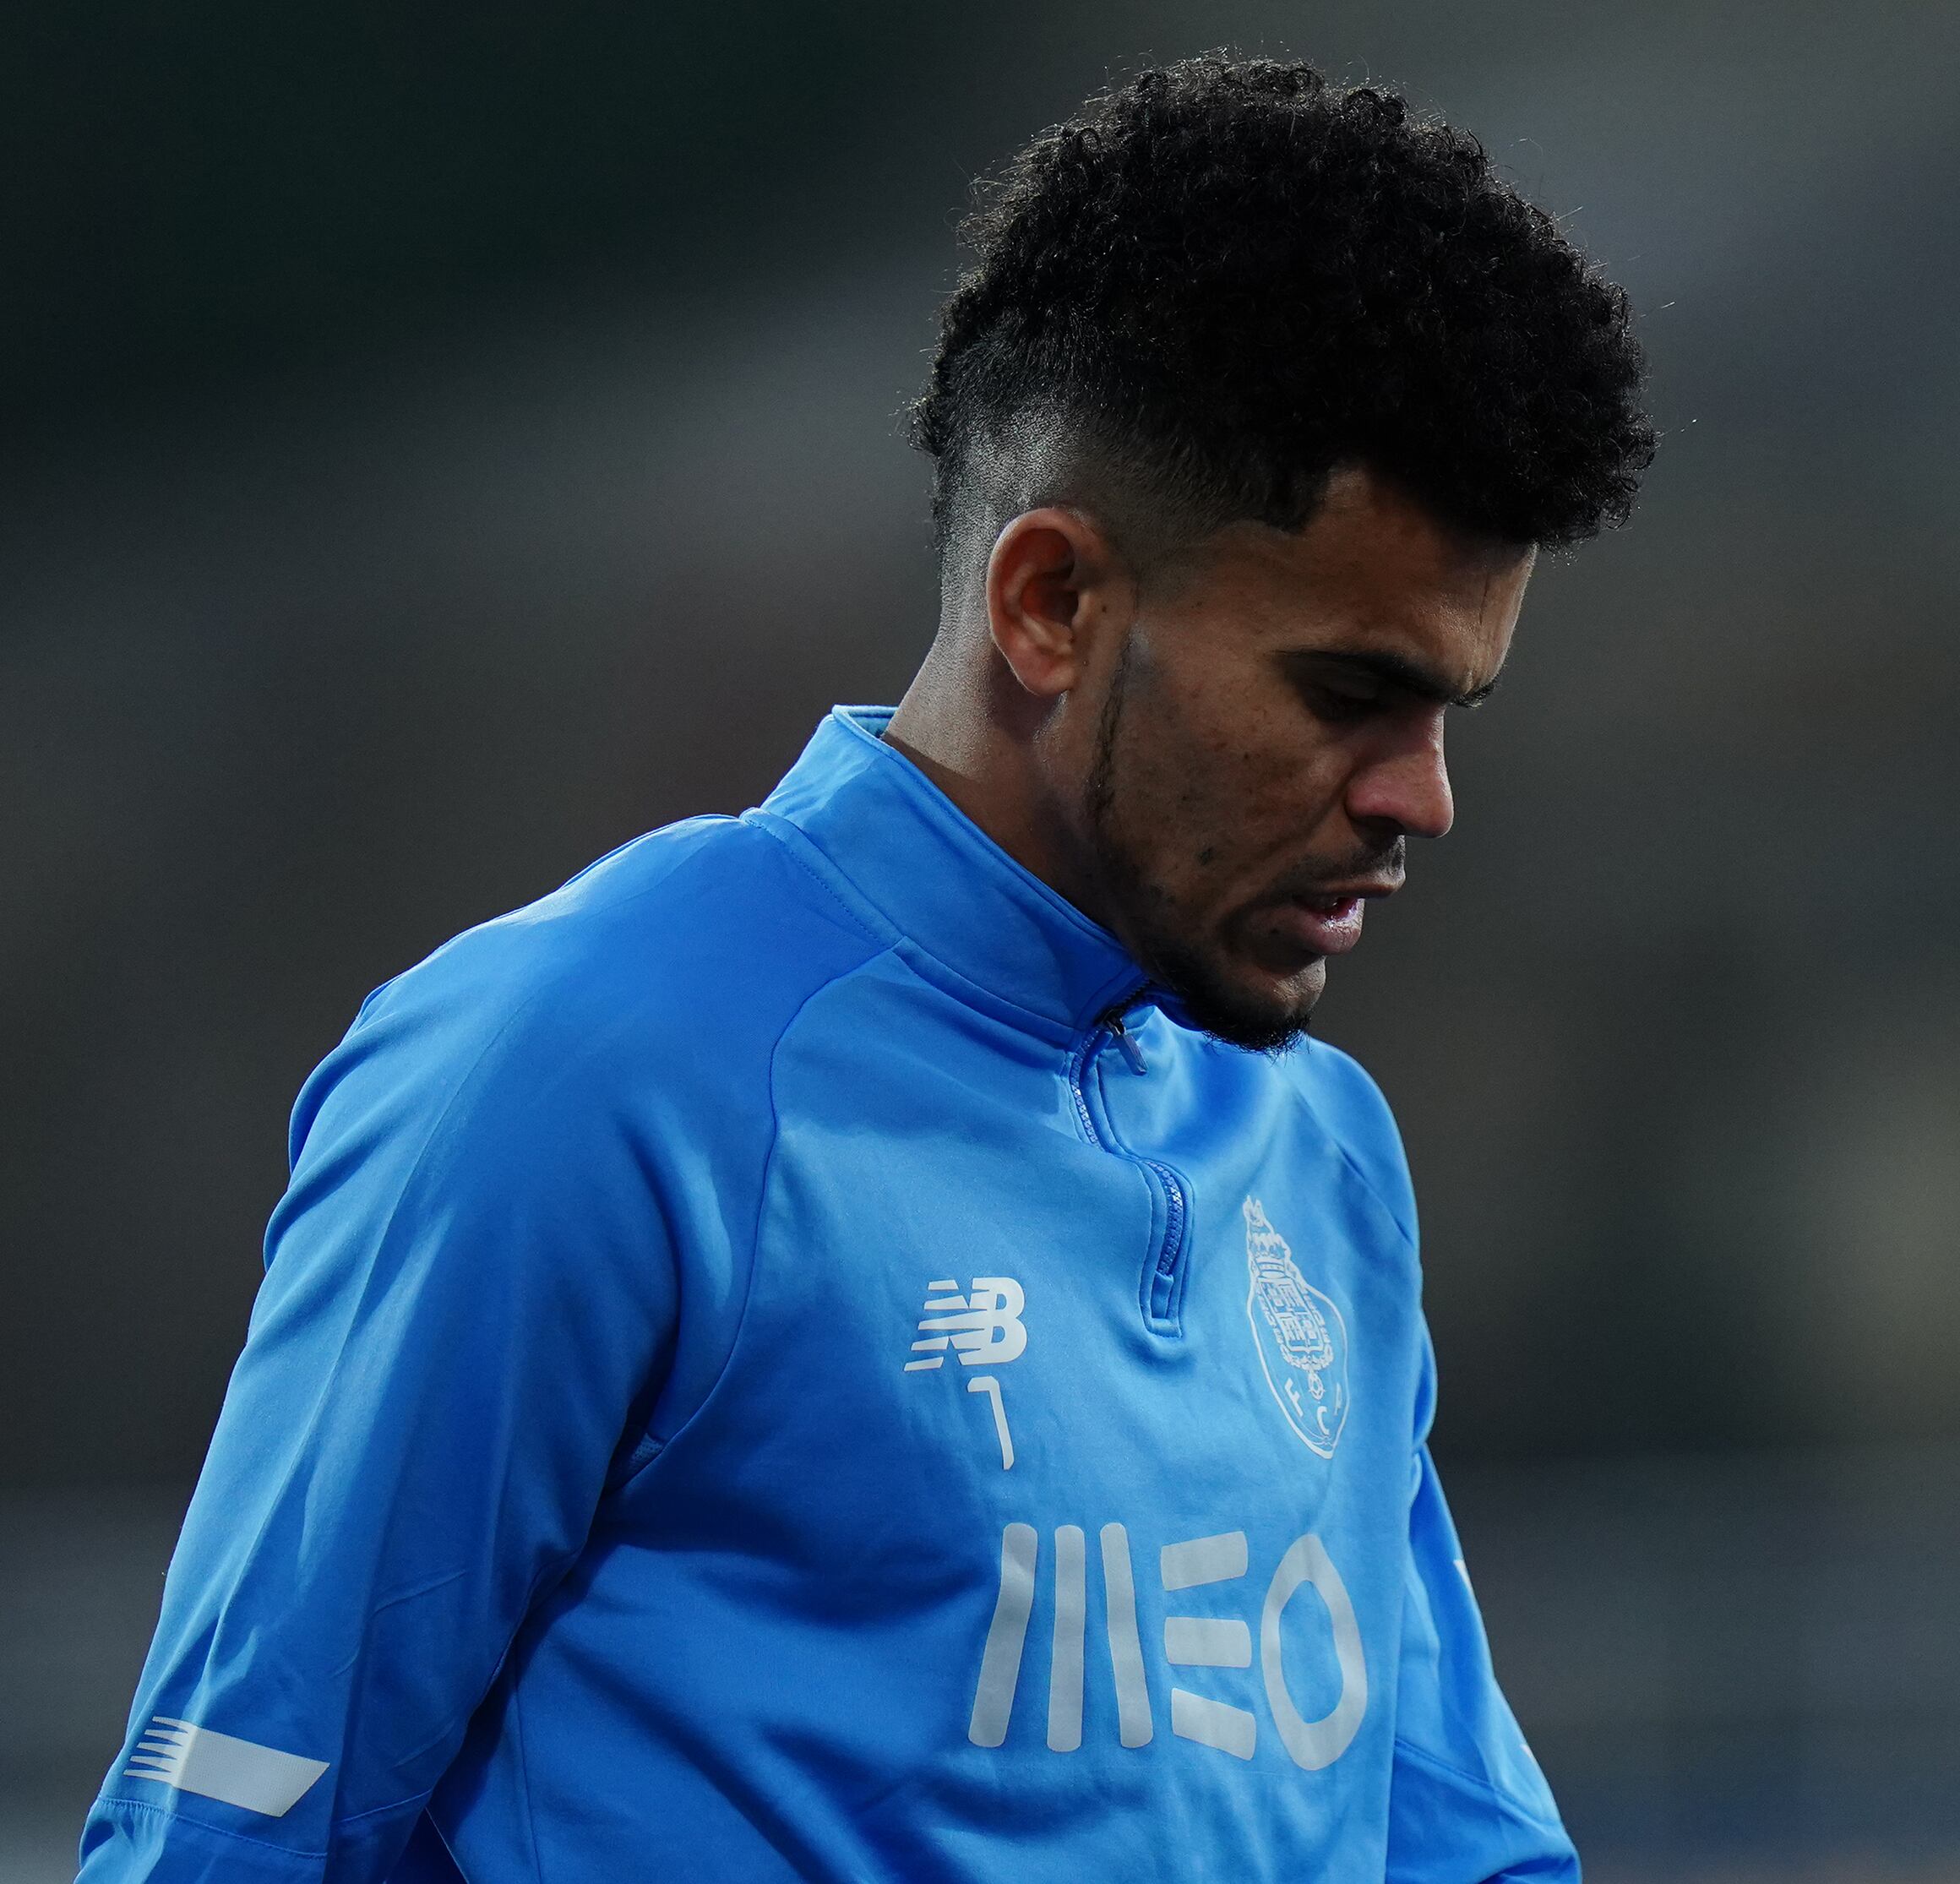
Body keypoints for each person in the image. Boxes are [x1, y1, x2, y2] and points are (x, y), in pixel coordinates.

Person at [79, 55, 1651, 1883]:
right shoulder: (584, 1072)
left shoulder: (1318, 1157)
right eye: (1346, 692)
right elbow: (230, 1836)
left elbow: (1453, 1848)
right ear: (1048, 599)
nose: (1419, 797)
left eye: (1449, 706)